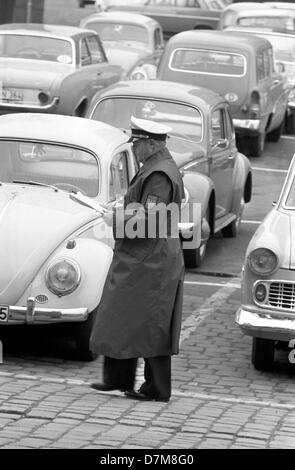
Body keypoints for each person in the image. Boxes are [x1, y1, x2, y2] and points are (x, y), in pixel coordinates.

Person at [89, 116, 185, 402]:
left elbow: (150, 221)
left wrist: (114, 218)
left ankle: (156, 387)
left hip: (150, 259)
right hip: (143, 256)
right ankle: (117, 377)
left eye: (137, 143)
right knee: (123, 315)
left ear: (152, 144)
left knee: (151, 323)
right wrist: (122, 206)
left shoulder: (159, 174)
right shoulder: (155, 168)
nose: (133, 149)